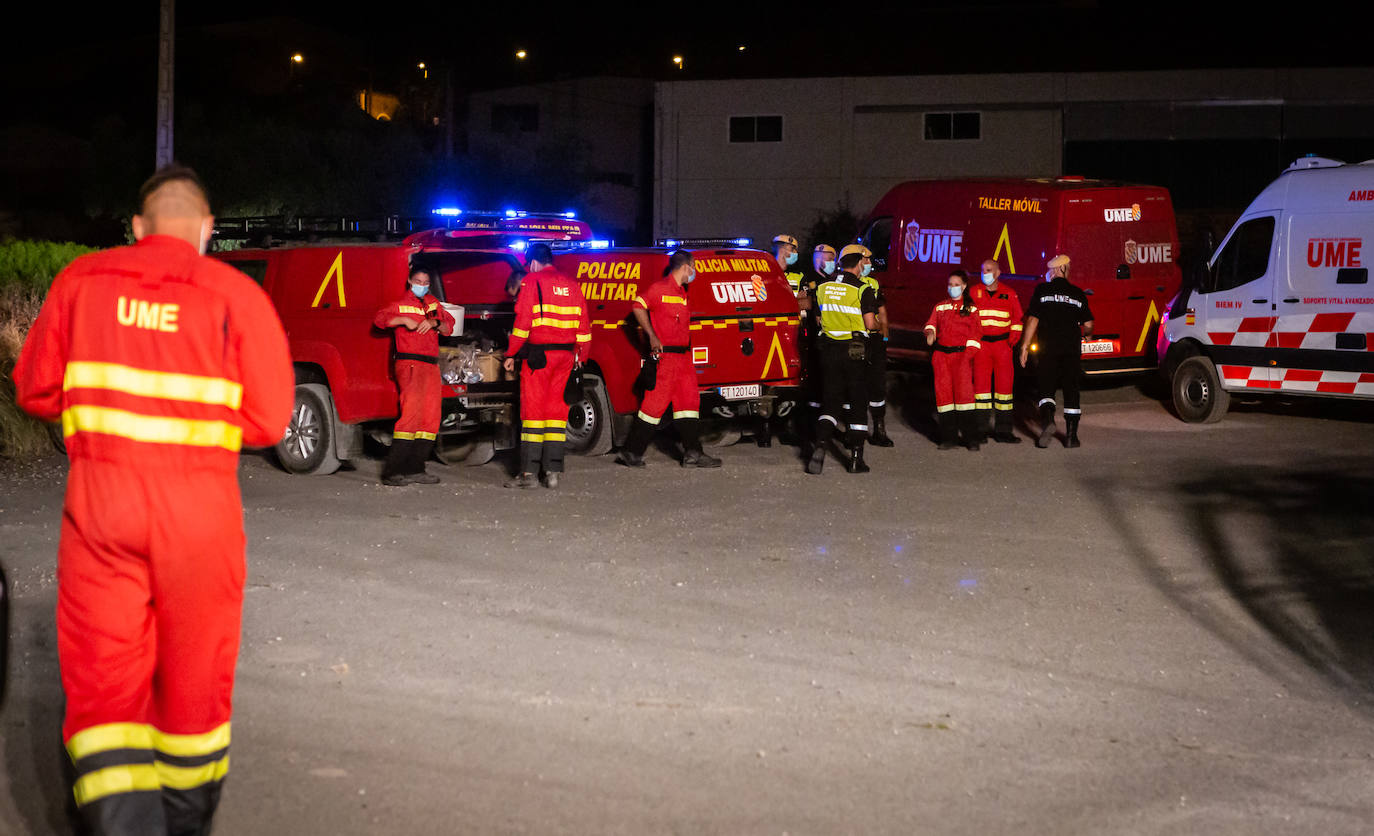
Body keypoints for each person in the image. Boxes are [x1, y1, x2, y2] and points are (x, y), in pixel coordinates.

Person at [12, 164, 294, 836]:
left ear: (136, 228)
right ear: (206, 231)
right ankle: (184, 821)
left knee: (103, 686)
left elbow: (35, 390)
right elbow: (271, 419)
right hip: (200, 520)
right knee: (195, 681)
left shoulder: (82, 282)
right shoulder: (235, 294)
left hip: (101, 513)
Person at [617, 250, 722, 469]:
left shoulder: (683, 292)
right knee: (652, 406)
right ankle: (631, 451)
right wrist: (652, 336)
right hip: (666, 359)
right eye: (693, 267)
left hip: (683, 358)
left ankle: (693, 452)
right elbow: (637, 306)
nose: (694, 272)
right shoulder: (659, 289)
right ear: (686, 266)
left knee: (689, 404)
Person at [503, 243, 592, 488]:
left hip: (539, 358)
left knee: (533, 415)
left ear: (532, 262)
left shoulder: (531, 281)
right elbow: (584, 330)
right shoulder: (573, 285)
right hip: (567, 358)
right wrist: (580, 360)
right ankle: (552, 472)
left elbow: (522, 324)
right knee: (556, 415)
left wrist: (511, 353)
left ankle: (528, 475)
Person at [374, 267, 456, 486]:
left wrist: (435, 323)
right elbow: (380, 320)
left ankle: (416, 469)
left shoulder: (432, 303)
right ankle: (392, 472)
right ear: (410, 281)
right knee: (410, 415)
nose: (422, 284)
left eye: (426, 281)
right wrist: (402, 320)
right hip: (409, 363)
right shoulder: (399, 303)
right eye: (418, 280)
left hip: (430, 365)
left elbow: (449, 326)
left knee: (430, 417)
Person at [806, 244, 880, 474]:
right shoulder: (862, 289)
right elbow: (870, 323)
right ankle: (856, 459)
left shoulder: (822, 287)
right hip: (854, 350)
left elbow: (818, 319)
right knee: (858, 402)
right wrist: (878, 325)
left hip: (828, 350)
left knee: (830, 402)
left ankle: (820, 445)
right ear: (859, 263)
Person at [1019, 254, 1094, 448]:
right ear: (1065, 270)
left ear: (1056, 270)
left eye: (1050, 270)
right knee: (1071, 390)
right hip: (1071, 349)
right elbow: (1088, 323)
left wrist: (1024, 346)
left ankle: (1048, 420)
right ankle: (1071, 437)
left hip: (1048, 348)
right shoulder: (1078, 293)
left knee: (1046, 387)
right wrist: (1087, 333)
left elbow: (1033, 319)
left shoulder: (1042, 290)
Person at [924, 270, 984, 450]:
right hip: (941, 357)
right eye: (950, 285)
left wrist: (966, 358)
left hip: (962, 357)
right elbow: (930, 324)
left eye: (956, 284)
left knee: (965, 398)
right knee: (944, 399)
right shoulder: (940, 306)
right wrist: (930, 333)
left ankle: (971, 438)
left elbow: (976, 335)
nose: (952, 288)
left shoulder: (972, 309)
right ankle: (948, 438)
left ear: (964, 286)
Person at [969, 258, 1025, 443]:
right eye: (983, 269)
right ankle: (980, 430)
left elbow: (1017, 320)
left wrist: (1013, 340)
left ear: (998, 273)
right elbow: (967, 319)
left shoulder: (1010, 294)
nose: (986, 273)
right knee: (981, 391)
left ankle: (1003, 431)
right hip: (982, 347)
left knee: (1005, 391)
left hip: (1003, 347)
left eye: (990, 269)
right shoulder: (973, 292)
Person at [797, 244, 836, 427]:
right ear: (819, 259)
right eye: (829, 259)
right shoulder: (809, 280)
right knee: (814, 378)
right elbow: (803, 304)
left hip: (832, 336)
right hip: (814, 337)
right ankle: (810, 421)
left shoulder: (834, 279)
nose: (832, 263)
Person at [859, 250, 894, 447]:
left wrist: (885, 337)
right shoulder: (847, 284)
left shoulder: (873, 283)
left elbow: (882, 310)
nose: (869, 262)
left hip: (875, 341)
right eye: (865, 259)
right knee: (856, 386)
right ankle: (853, 430)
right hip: (858, 339)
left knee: (878, 386)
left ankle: (879, 429)